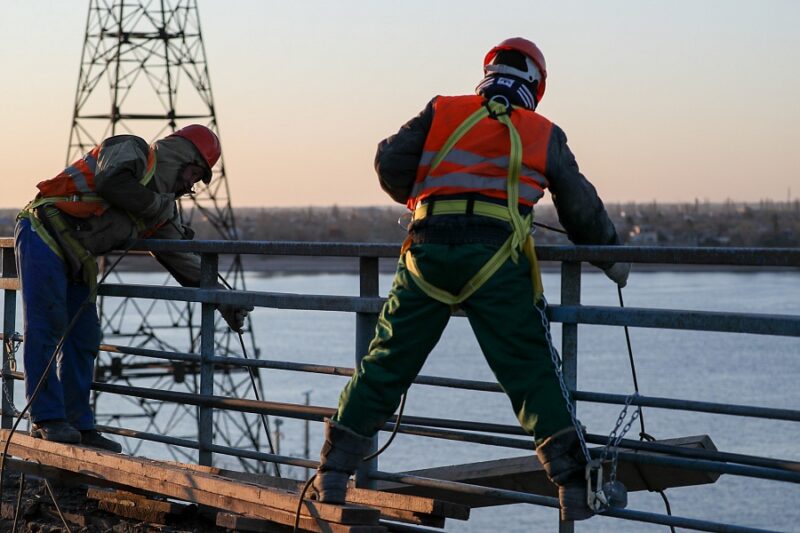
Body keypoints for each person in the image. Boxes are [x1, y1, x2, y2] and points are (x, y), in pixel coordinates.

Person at [311, 38, 630, 521]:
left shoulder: (443, 110)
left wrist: (422, 195)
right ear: (537, 87)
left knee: (386, 361)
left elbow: (390, 163)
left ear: (487, 74)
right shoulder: (542, 131)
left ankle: (332, 476)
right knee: (530, 369)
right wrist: (612, 258)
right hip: (495, 259)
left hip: (427, 252)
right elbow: (580, 208)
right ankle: (573, 488)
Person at [14, 124, 253, 453]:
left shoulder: (161, 211)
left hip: (77, 256)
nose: (191, 186)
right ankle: (47, 418)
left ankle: (79, 425)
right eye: (194, 174)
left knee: (84, 338)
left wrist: (226, 300)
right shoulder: (132, 149)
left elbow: (180, 260)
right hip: (43, 232)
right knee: (47, 325)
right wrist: (157, 205)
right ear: (181, 156)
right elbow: (111, 182)